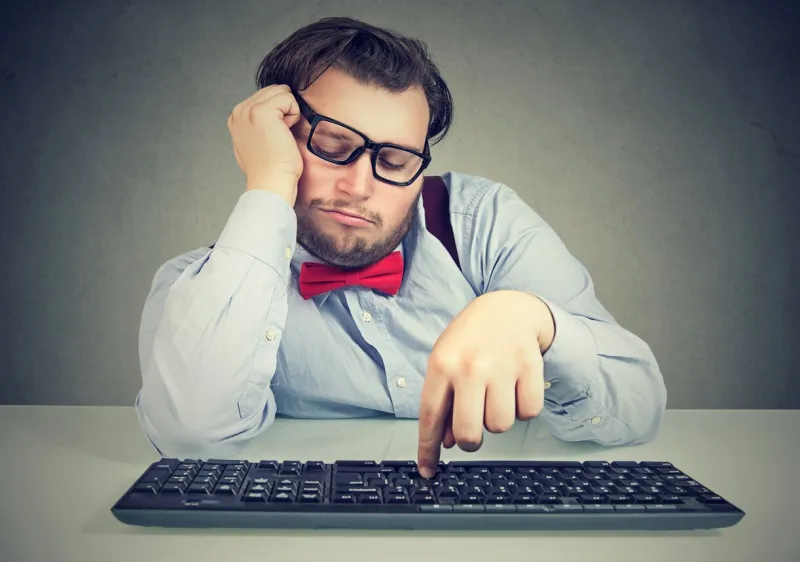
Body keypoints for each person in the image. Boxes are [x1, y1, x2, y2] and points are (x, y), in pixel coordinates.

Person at [135, 16, 667, 477]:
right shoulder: (201, 289)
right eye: (332, 147)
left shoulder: (481, 222)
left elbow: (638, 408)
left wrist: (535, 320)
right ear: (277, 134)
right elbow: (192, 439)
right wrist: (271, 178)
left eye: (392, 162)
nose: (360, 187)